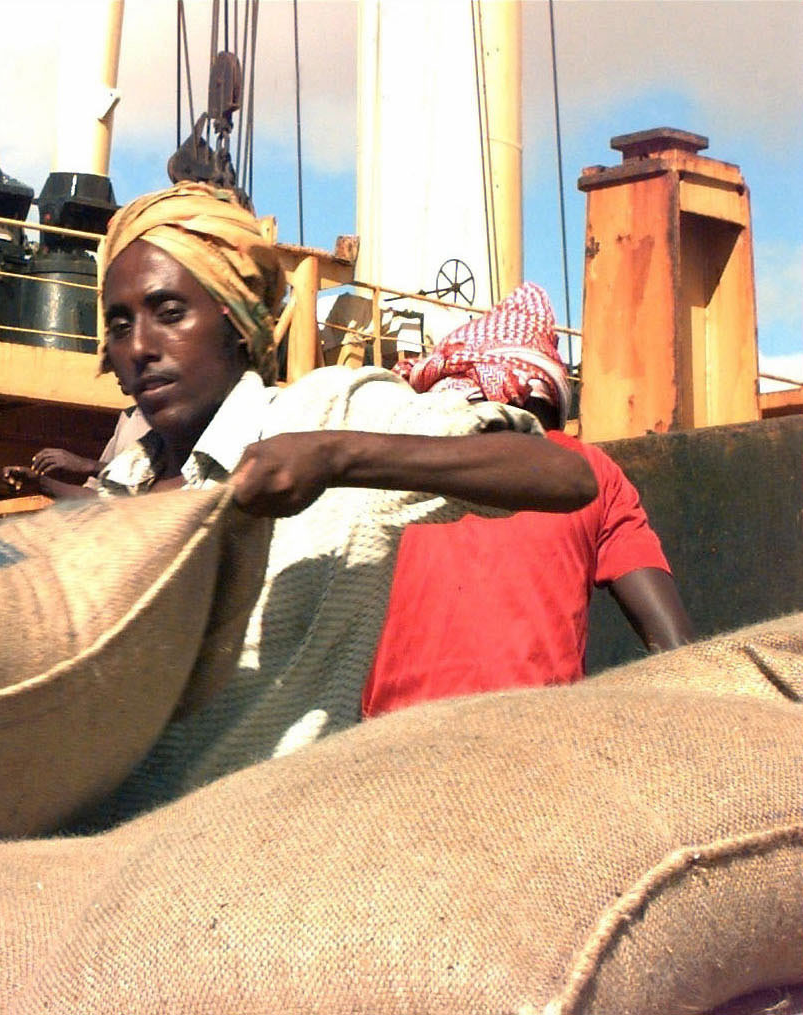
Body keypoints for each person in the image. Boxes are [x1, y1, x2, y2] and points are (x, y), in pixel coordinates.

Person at [82, 182, 598, 823]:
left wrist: (338, 459)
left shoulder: (323, 412)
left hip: (267, 859)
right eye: (119, 323)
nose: (139, 346)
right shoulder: (118, 486)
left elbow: (559, 475)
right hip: (107, 867)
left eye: (169, 311)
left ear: (239, 323)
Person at [364, 283, 694, 717]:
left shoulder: (390, 461)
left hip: (382, 752)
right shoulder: (589, 469)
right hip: (534, 748)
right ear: (548, 395)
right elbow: (675, 647)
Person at [1, 405, 149, 500]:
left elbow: (143, 483)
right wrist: (39, 483)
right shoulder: (128, 416)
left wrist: (88, 465)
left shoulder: (166, 423)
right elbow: (95, 497)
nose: (115, 372)